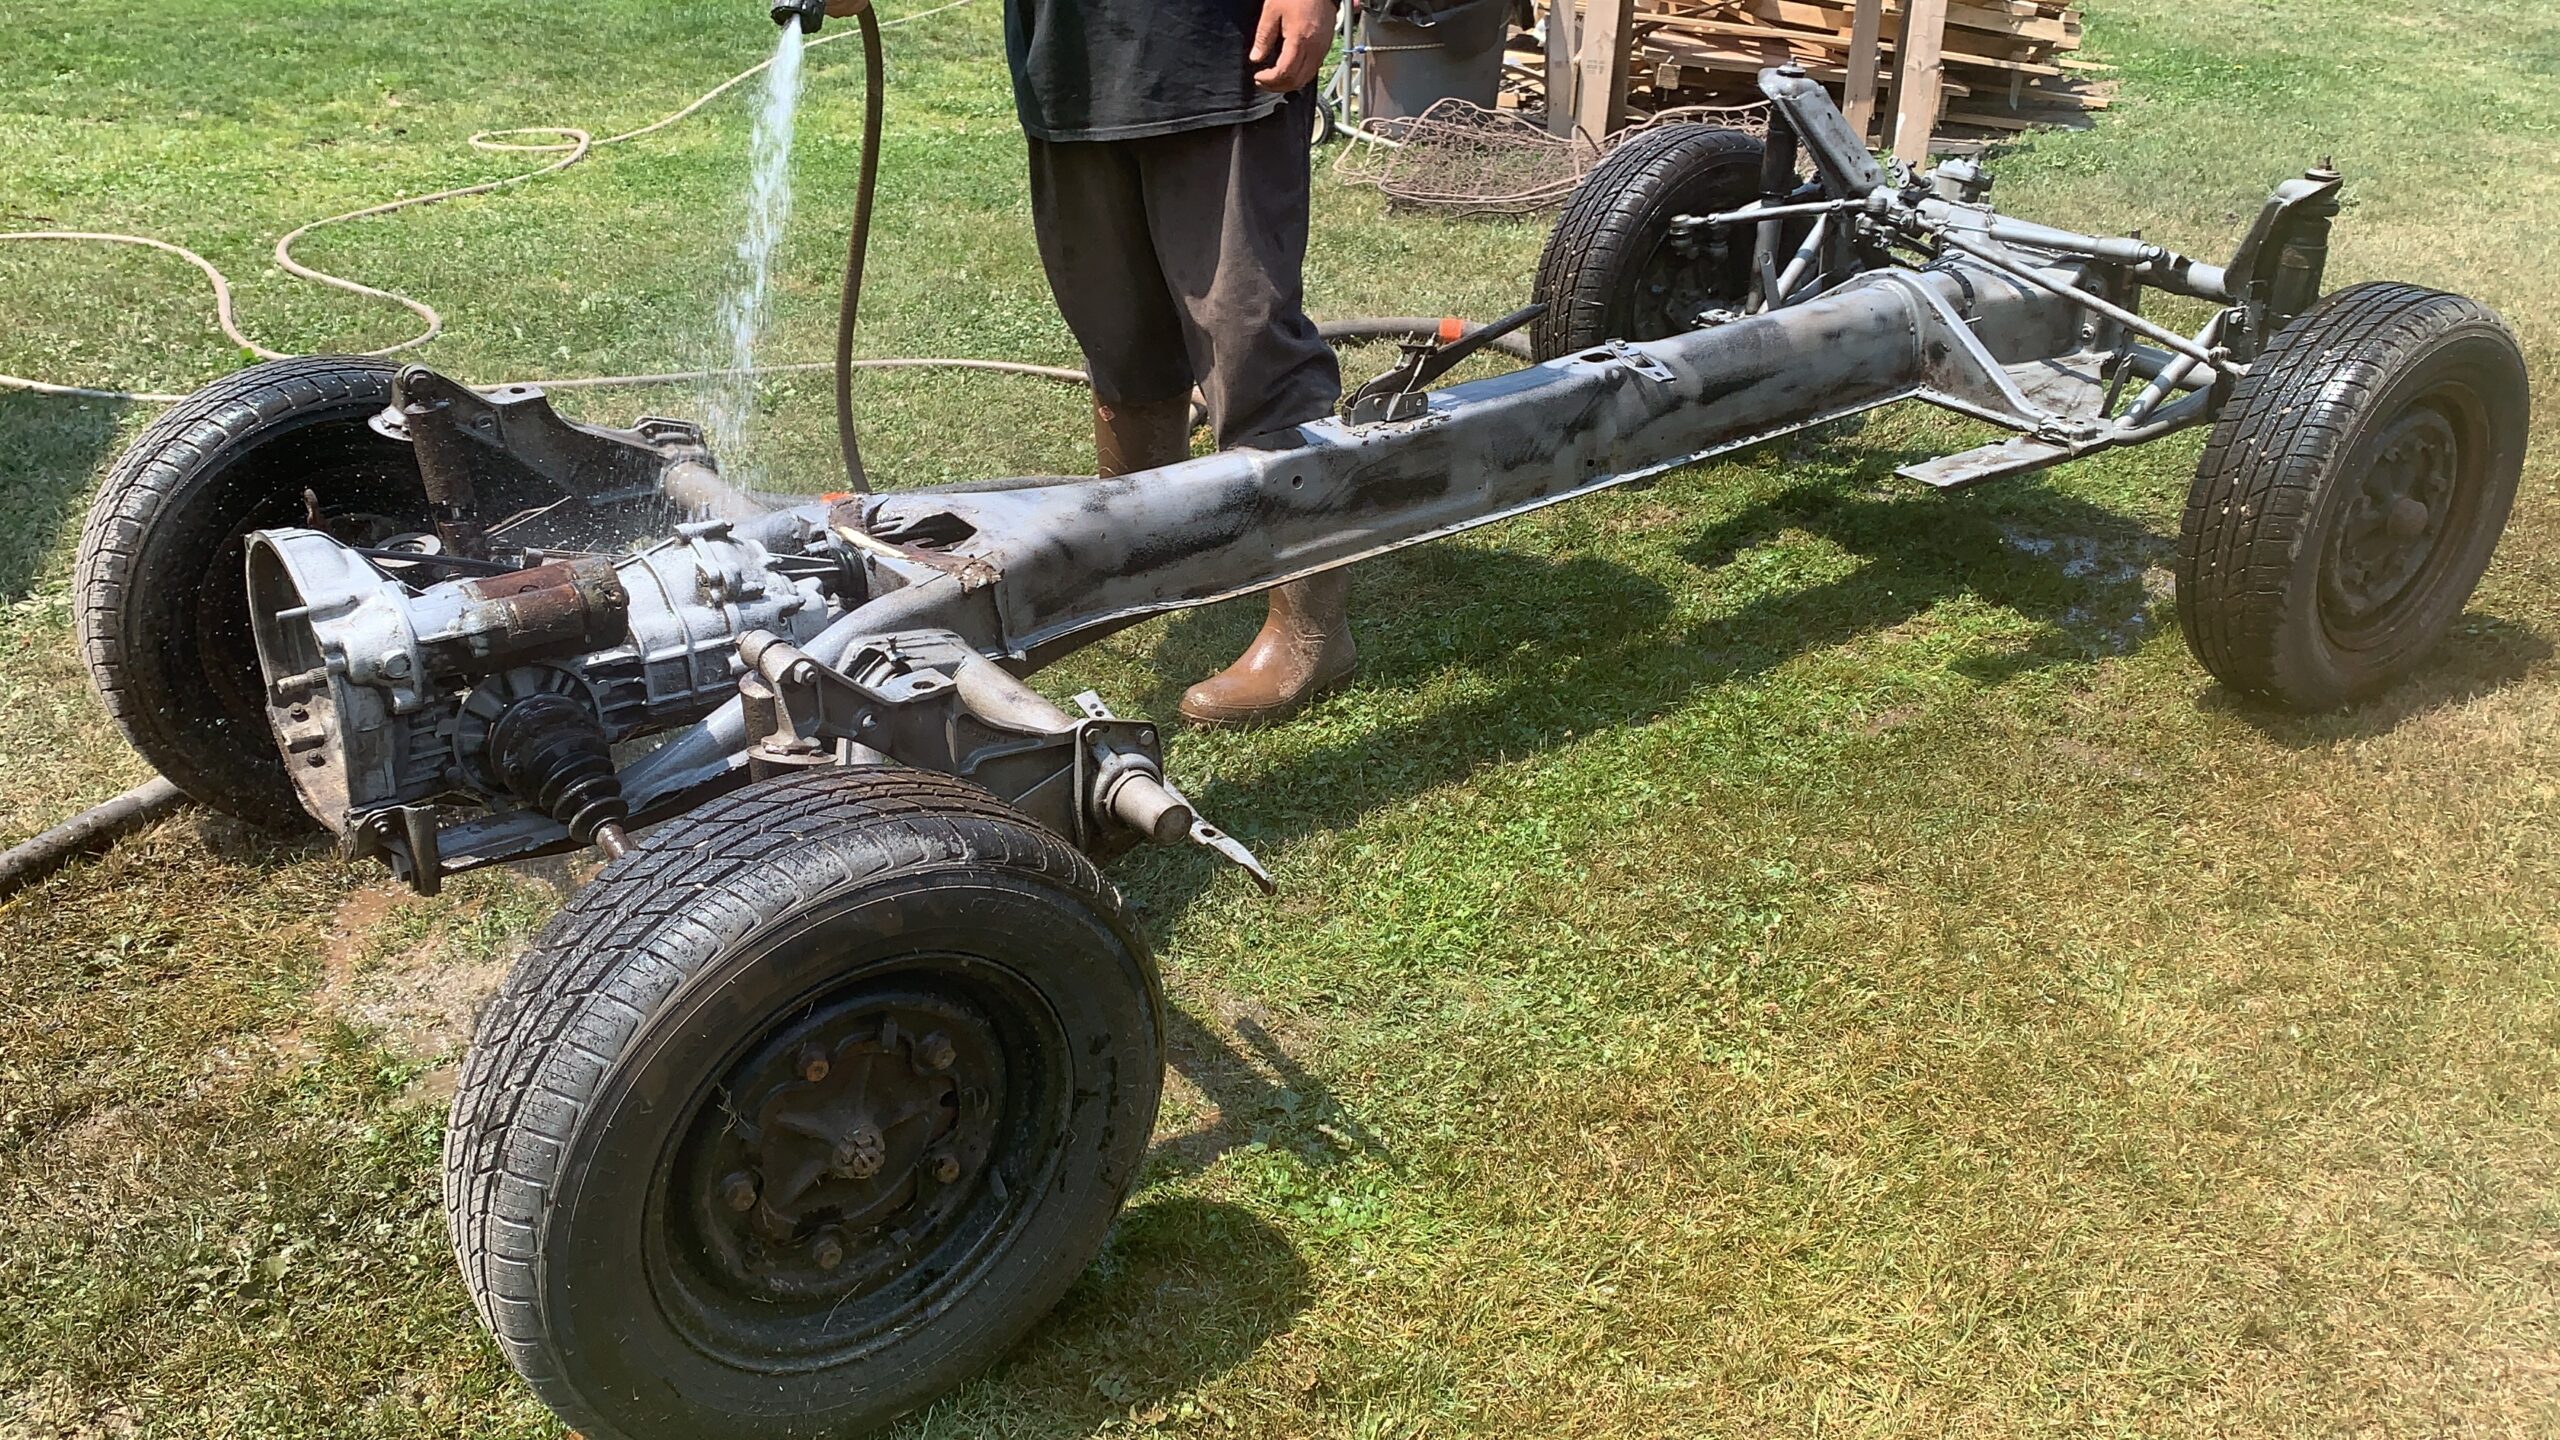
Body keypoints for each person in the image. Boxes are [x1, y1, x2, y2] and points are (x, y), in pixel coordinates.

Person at [832, 0, 1356, 725]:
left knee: (1249, 344)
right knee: (1121, 343)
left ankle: (1309, 631)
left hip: (1219, 59)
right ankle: (1145, 576)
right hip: (1069, 66)